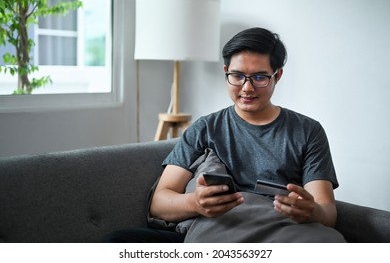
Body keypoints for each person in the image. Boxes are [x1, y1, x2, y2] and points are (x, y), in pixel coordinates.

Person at [104, 27, 345, 243]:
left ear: (277, 76)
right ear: (225, 72)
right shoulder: (205, 129)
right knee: (117, 241)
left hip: (281, 232)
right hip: (216, 230)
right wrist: (195, 203)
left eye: (260, 77)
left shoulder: (308, 131)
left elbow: (327, 212)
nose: (247, 88)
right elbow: (159, 202)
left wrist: (312, 211)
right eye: (237, 76)